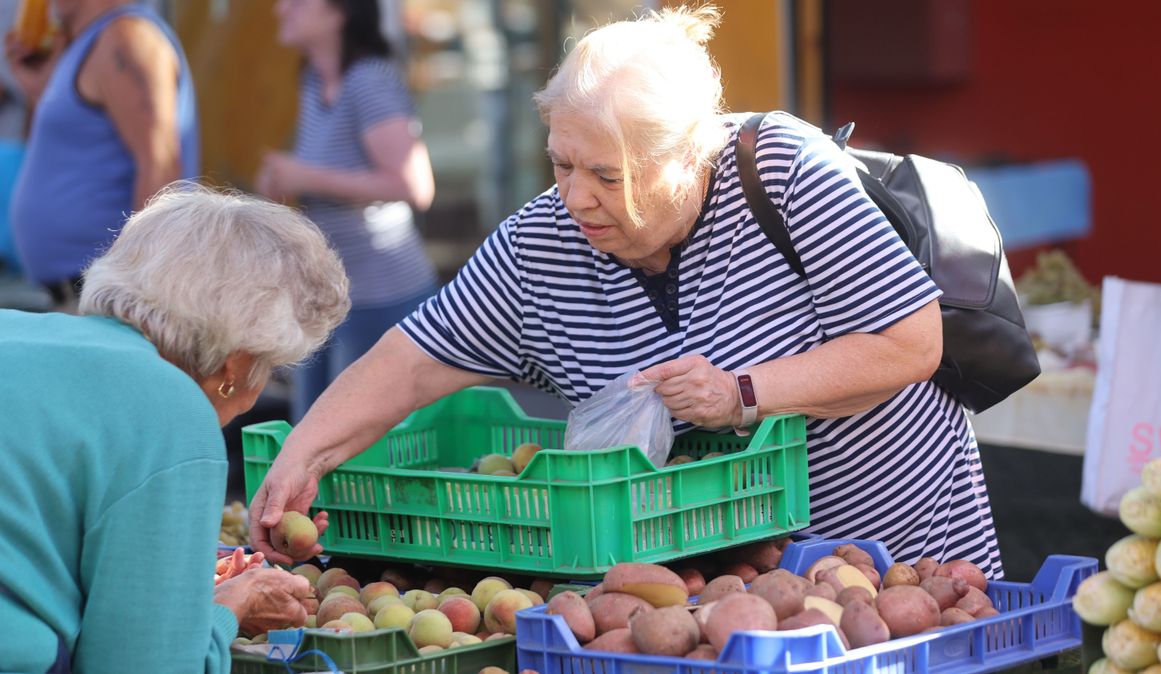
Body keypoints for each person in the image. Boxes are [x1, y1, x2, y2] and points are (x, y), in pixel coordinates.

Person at [249, 5, 1005, 578]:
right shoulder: (540, 242)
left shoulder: (785, 172)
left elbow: (910, 342)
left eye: (608, 176)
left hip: (903, 560)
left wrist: (744, 392)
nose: (576, 198)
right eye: (561, 165)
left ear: (689, 157)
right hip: (723, 590)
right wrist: (302, 456)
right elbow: (411, 363)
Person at [0, 184, 350, 673]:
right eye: (271, 366)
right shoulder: (173, 412)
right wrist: (231, 608)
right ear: (237, 363)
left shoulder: (15, 328)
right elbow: (142, 665)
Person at [257, 0, 438, 422]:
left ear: (339, 13)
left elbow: (413, 185)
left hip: (381, 296)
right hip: (330, 293)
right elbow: (326, 174)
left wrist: (304, 177)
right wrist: (288, 182)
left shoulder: (368, 81)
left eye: (297, 2)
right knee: (311, 432)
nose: (281, 9)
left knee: (347, 442)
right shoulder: (313, 80)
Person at [6, 0, 198, 311]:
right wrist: (41, 92)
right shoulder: (93, 42)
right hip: (80, 298)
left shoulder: (127, 37)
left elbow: (162, 167)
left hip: (109, 301)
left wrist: (141, 294)